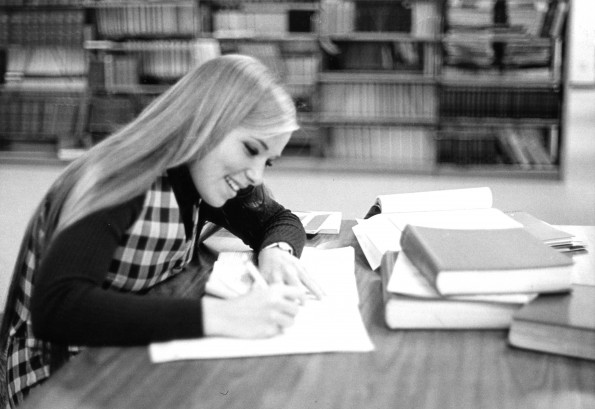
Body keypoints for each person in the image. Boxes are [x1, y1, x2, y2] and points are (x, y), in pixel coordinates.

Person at [0, 54, 323, 408]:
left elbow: (278, 220)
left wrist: (277, 252)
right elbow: (58, 309)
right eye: (250, 149)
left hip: (124, 351)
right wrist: (225, 316)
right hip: (57, 378)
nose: (257, 175)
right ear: (205, 121)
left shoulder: (202, 175)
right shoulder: (121, 180)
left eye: (268, 161)